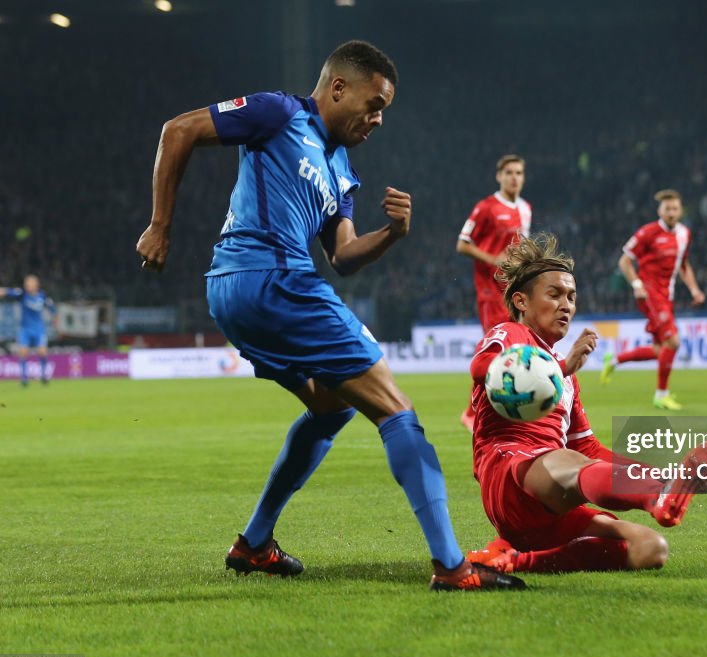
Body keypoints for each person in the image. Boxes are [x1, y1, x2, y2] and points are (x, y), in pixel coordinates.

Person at [135, 41, 523, 591]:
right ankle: (454, 567)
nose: (379, 119)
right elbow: (179, 130)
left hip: (235, 292)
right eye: (374, 103)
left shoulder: (342, 170)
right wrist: (160, 224)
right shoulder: (279, 112)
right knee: (394, 407)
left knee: (330, 407)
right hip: (273, 278)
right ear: (338, 88)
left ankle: (253, 545)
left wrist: (392, 234)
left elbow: (341, 256)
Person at [466, 234, 707, 574]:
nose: (565, 305)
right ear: (522, 301)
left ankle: (513, 561)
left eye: (571, 296)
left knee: (650, 548)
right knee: (566, 461)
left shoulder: (566, 377)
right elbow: (483, 369)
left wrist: (657, 473)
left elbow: (589, 449)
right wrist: (558, 370)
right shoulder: (512, 335)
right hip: (510, 476)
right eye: (554, 294)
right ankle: (657, 494)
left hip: (552, 502)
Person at [601, 189, 705, 410]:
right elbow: (624, 262)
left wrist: (695, 290)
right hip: (649, 294)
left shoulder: (684, 234)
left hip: (667, 296)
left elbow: (683, 266)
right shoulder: (648, 232)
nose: (671, 212)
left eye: (675, 208)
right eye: (667, 208)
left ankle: (615, 360)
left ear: (680, 210)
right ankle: (661, 395)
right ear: (660, 210)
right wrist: (637, 284)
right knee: (674, 342)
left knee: (661, 350)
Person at [455, 154, 532, 430]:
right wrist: (492, 259)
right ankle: (472, 412)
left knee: (515, 347)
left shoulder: (525, 208)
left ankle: (494, 408)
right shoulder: (486, 207)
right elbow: (462, 244)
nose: (514, 177)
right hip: (489, 290)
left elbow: (520, 247)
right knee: (499, 349)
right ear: (499, 176)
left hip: (513, 290)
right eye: (509, 172)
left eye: (519, 172)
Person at [0, 275, 56, 387]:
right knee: (23, 353)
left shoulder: (43, 296)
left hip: (39, 329)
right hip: (25, 329)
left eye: (30, 283)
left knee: (42, 352)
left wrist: (55, 318)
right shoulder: (22, 294)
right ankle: (24, 379)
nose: (28, 286)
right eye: (26, 284)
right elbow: (8, 291)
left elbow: (52, 308)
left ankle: (44, 375)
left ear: (36, 285)